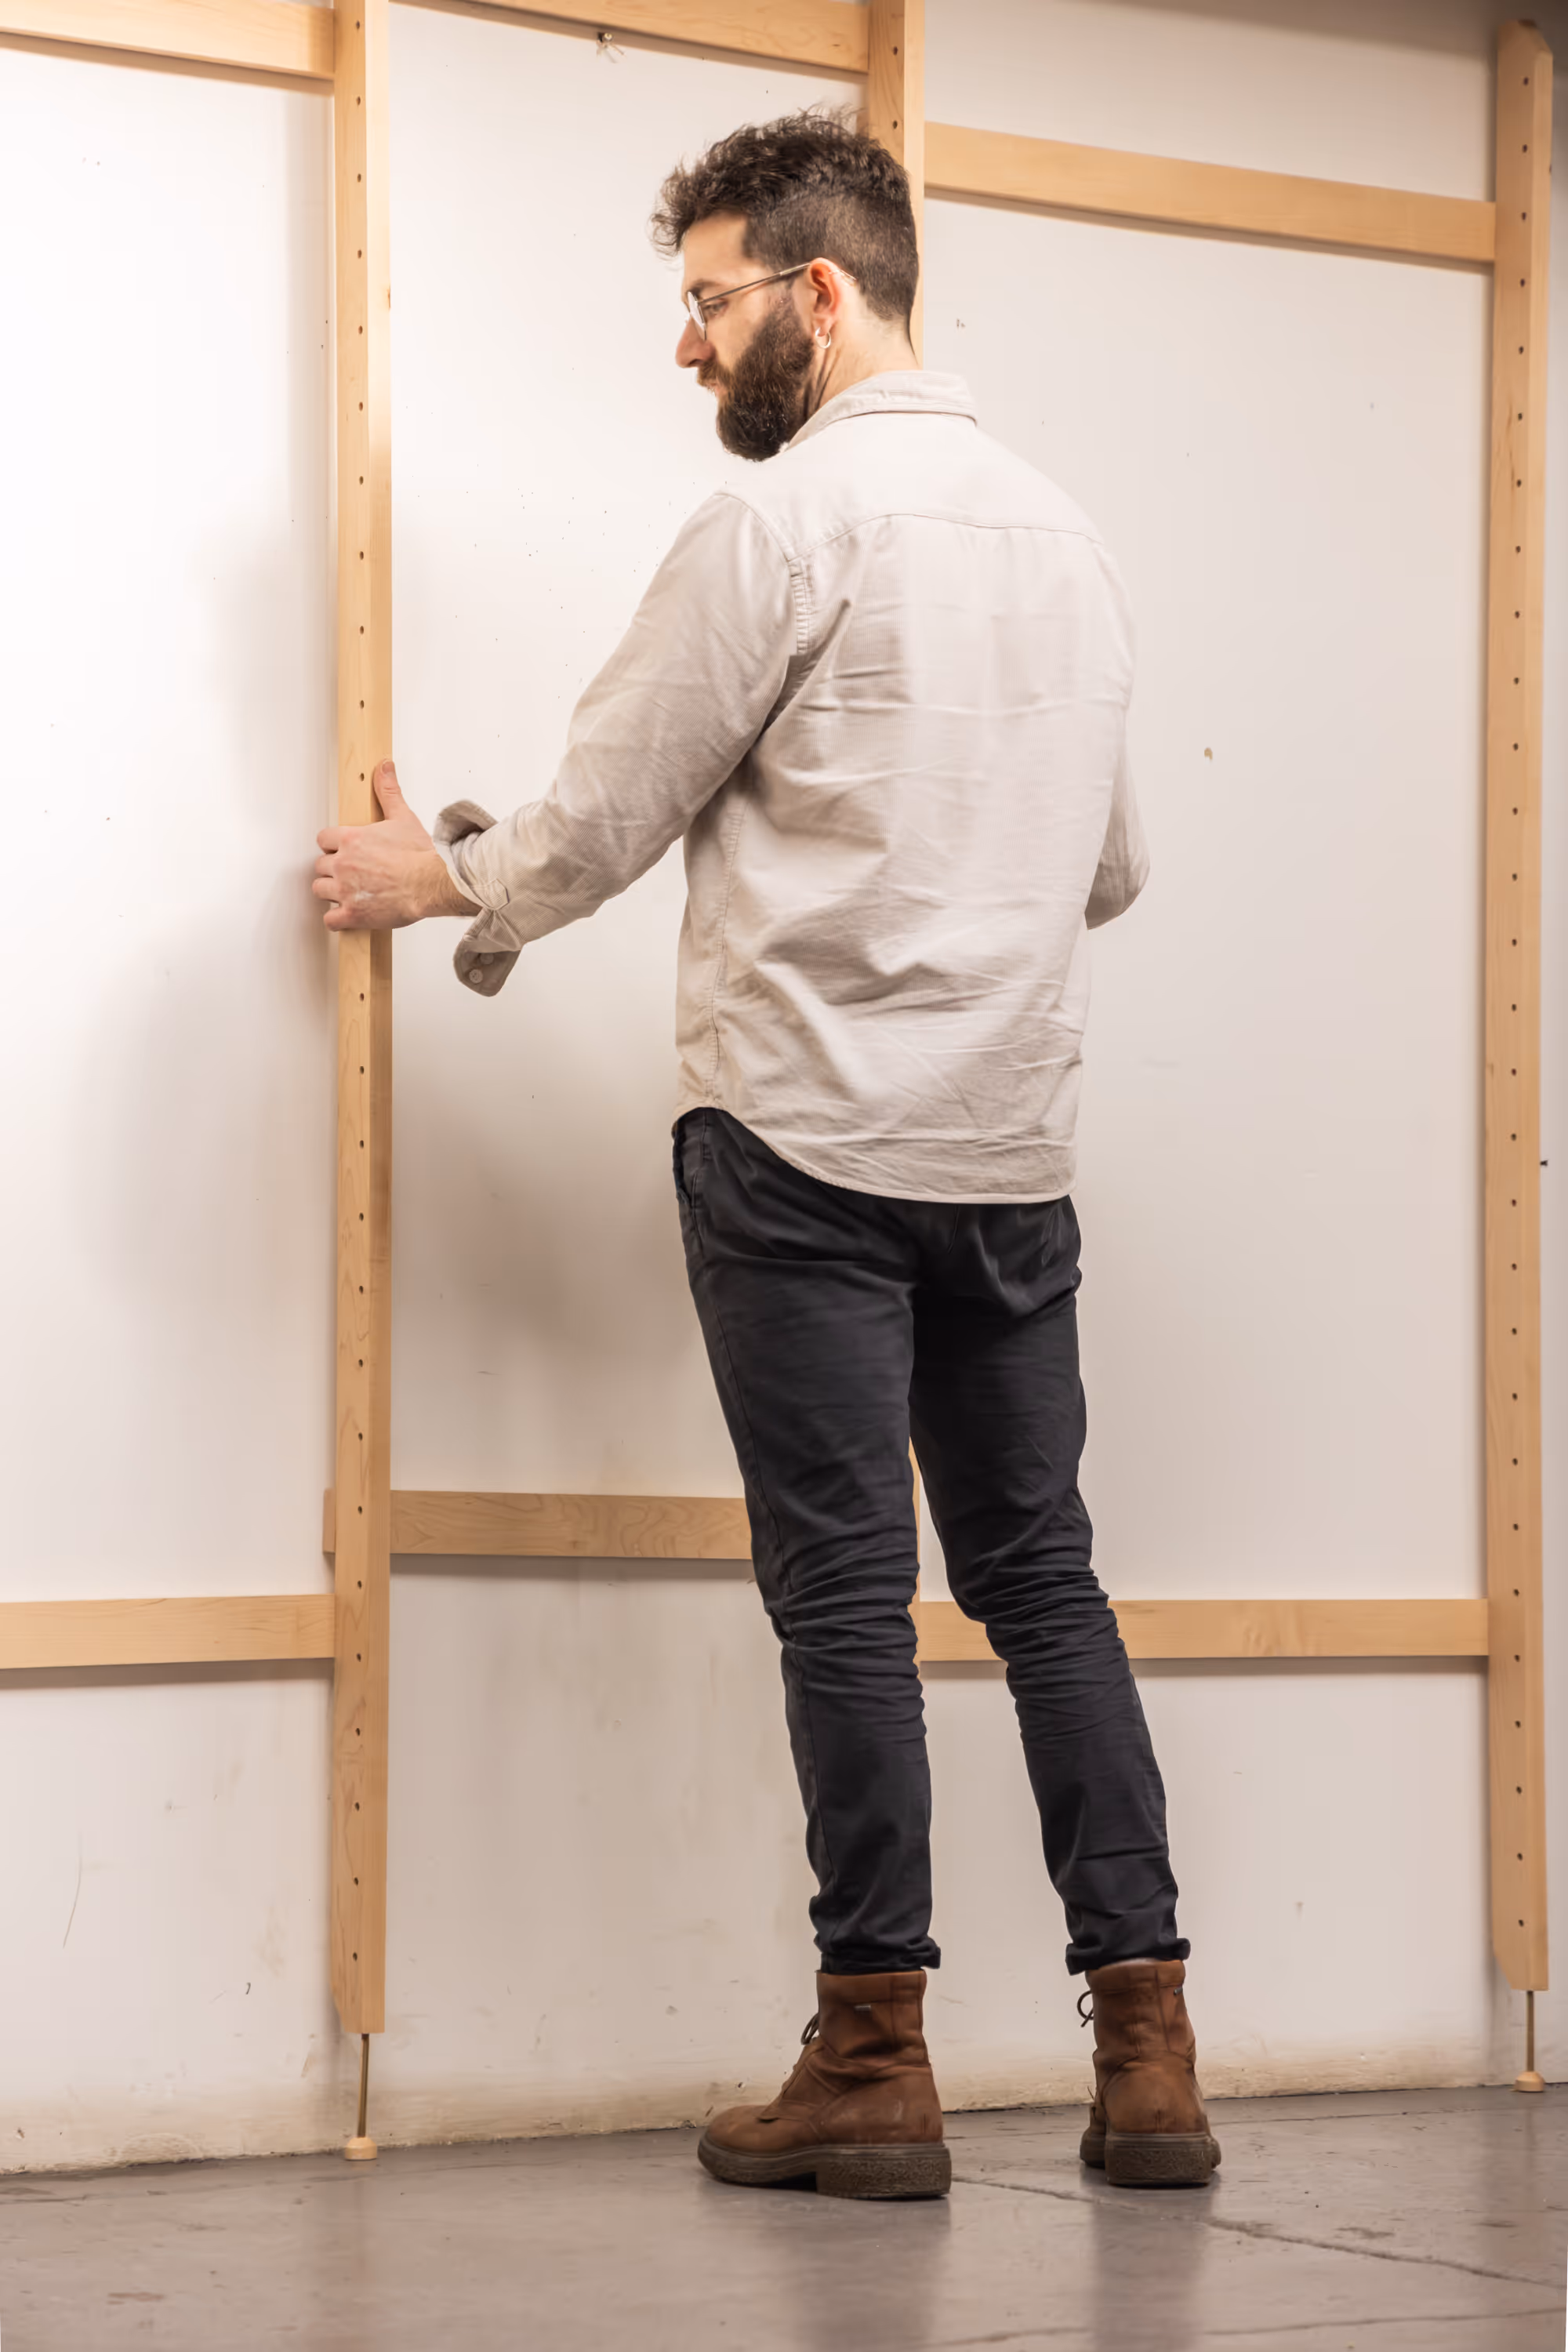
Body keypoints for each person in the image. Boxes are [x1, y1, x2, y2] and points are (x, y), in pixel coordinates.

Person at [312, 109, 1218, 2199]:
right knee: (1043, 1582)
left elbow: (607, 809)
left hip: (805, 1142)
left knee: (842, 1597)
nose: (690, 349)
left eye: (711, 302)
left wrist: (428, 869)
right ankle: (1148, 2048)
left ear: (822, 290)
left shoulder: (785, 531)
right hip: (1007, 1154)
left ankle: (873, 2061)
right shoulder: (1063, 539)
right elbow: (1110, 862)